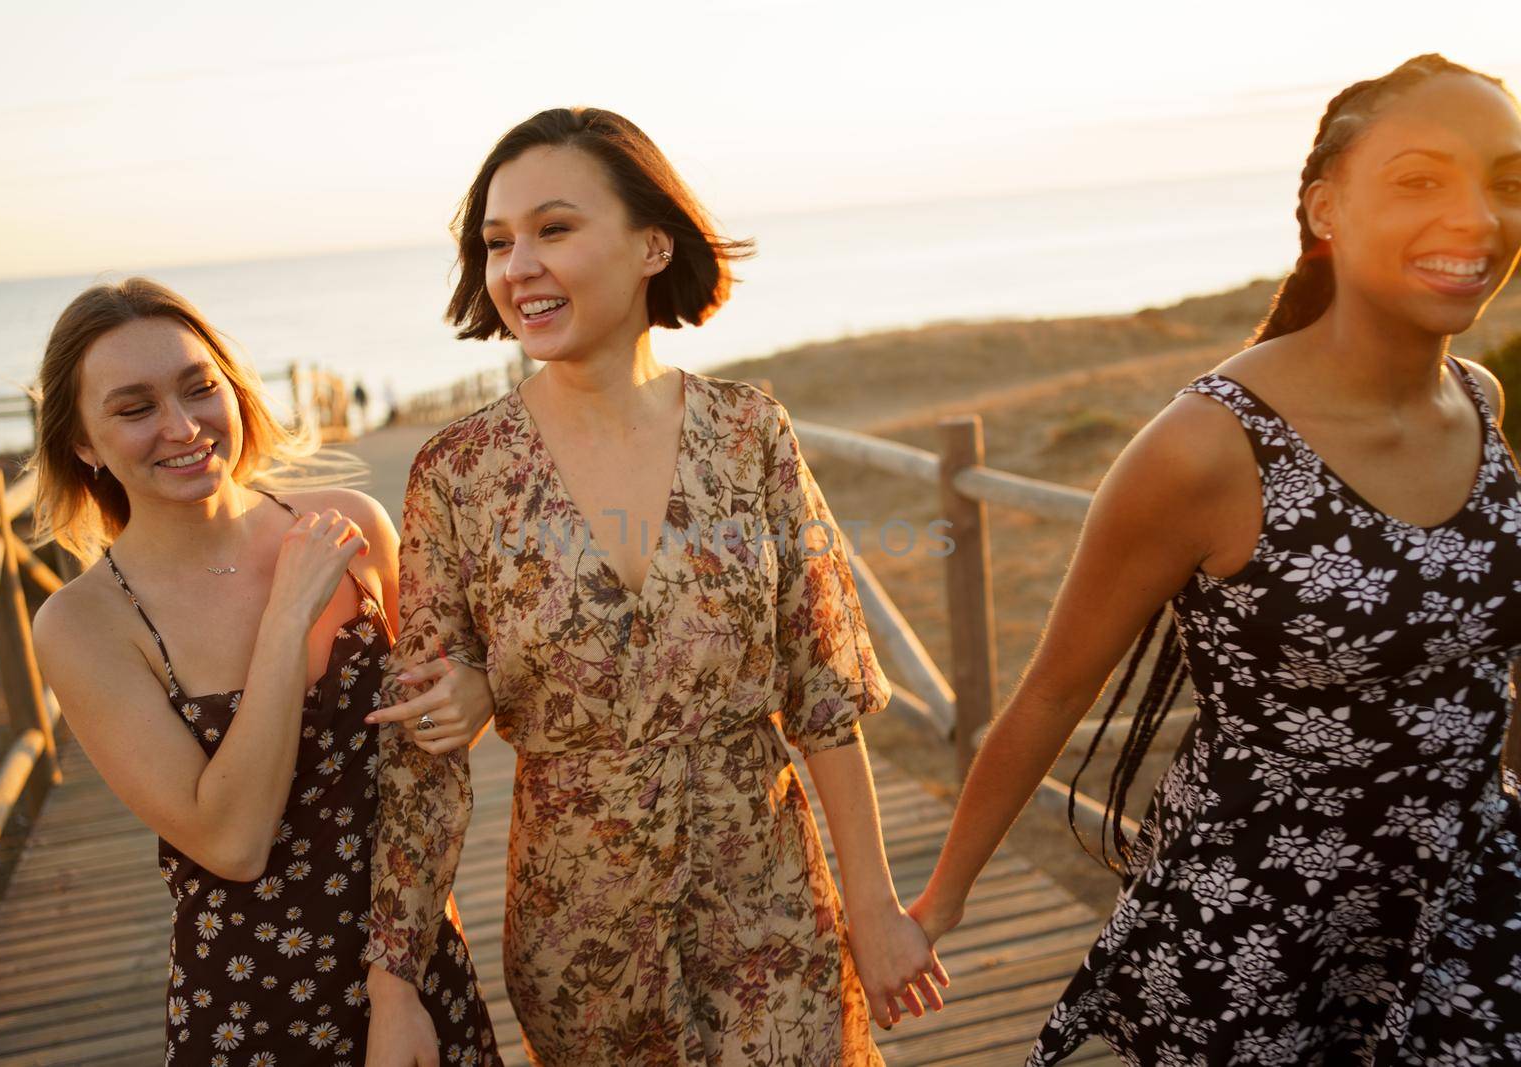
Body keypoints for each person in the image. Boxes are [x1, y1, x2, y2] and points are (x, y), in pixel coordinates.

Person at [910, 54, 1521, 1064]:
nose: (1477, 217)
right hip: (1260, 936)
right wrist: (936, 903)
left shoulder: (1480, 400)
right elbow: (1054, 690)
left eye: (1504, 182)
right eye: (1419, 179)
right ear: (1327, 207)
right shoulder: (1206, 444)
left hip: (1462, 897)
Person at [361, 107, 947, 1066]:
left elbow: (824, 692)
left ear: (651, 243)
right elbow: (422, 757)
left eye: (554, 228)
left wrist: (874, 908)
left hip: (772, 909)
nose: (517, 268)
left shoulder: (750, 434)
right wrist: (395, 984)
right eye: (498, 242)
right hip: (581, 941)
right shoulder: (459, 475)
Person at [28, 278, 501, 1065]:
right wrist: (286, 619)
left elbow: (425, 758)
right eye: (135, 407)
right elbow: (233, 840)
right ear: (82, 442)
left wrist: (474, 690)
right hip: (253, 1007)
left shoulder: (354, 525)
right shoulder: (85, 623)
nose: (183, 426)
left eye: (199, 387)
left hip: (415, 964)